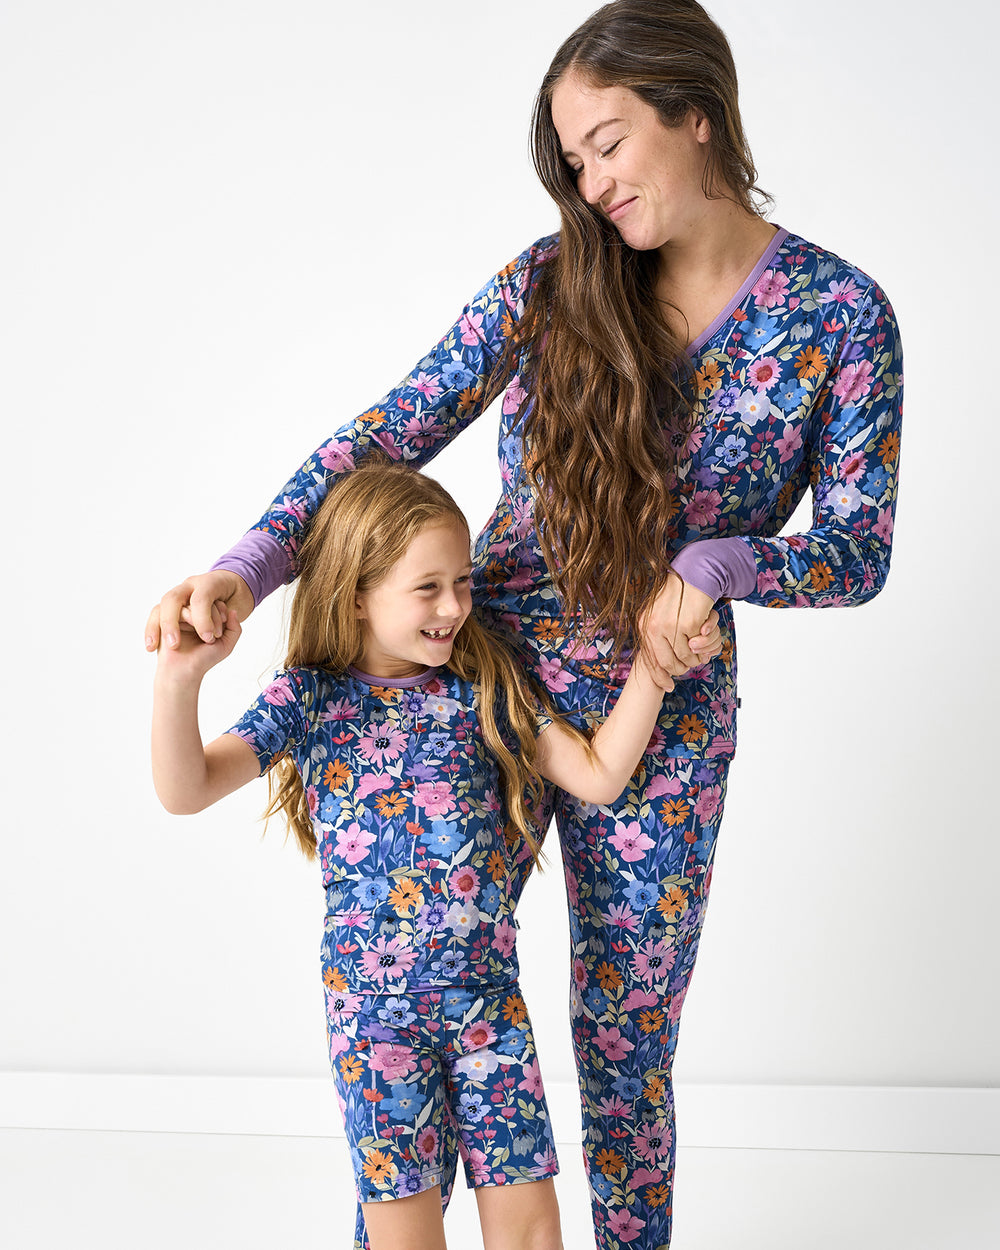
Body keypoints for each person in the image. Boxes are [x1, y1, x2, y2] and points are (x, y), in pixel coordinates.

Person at [145, 3, 902, 1246]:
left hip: (663, 705)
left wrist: (720, 564)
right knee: (416, 983)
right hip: (477, 671)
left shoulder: (841, 317)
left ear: (696, 114)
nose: (591, 185)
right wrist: (252, 564)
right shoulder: (551, 282)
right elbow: (389, 430)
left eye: (608, 145)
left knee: (626, 1038)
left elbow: (858, 549)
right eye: (572, 161)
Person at [152, 460, 696, 1250]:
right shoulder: (309, 699)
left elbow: (598, 775)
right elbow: (187, 788)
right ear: (357, 594)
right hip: (375, 1023)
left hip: (489, 1010)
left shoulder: (484, 687)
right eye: (428, 589)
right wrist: (180, 681)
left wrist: (653, 665)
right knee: (404, 1236)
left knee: (532, 1232)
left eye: (464, 583)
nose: (455, 608)